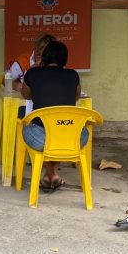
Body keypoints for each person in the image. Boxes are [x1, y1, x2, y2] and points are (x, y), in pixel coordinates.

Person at [20, 40, 87, 192]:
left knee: (31, 128)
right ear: (65, 59)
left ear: (44, 57)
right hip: (73, 138)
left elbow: (26, 95)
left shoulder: (33, 73)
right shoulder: (72, 75)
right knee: (60, 135)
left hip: (40, 137)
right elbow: (76, 97)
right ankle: (53, 174)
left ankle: (49, 174)